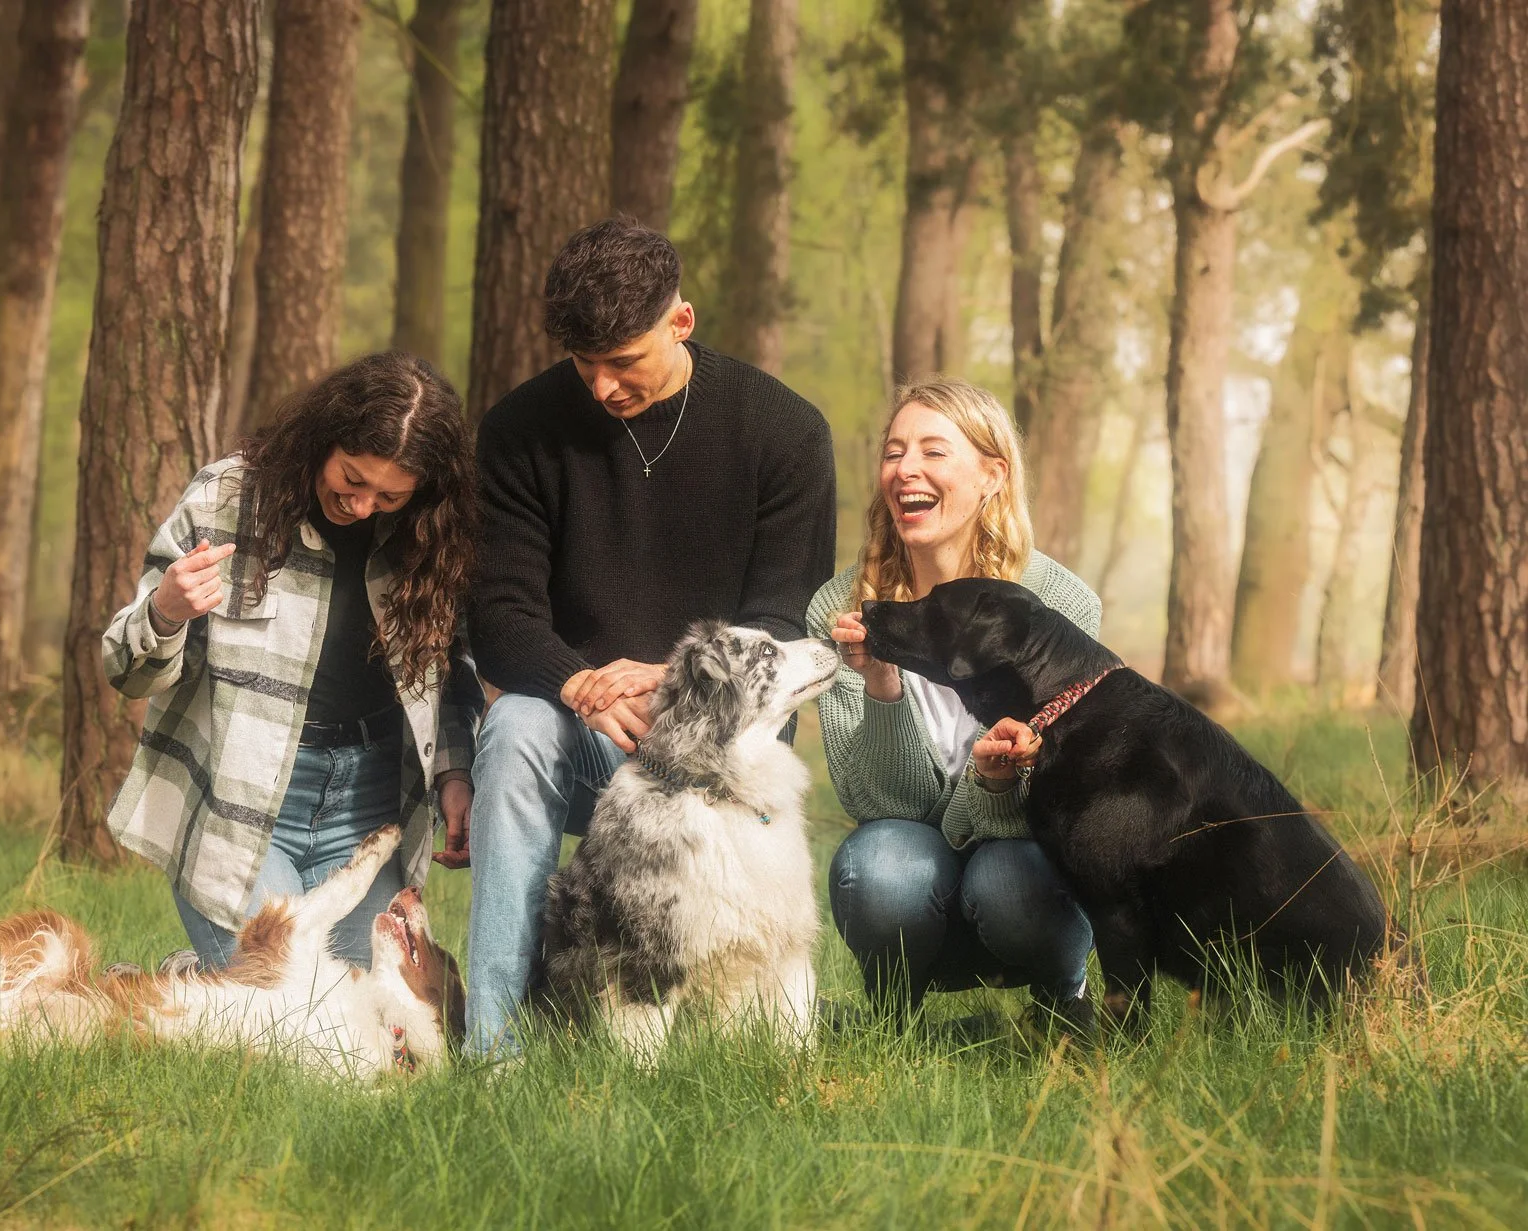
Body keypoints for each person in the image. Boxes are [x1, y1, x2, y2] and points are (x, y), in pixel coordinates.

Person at [463, 218, 838, 1055]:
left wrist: (668, 677)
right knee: (516, 728)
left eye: (623, 362)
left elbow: (780, 624)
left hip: (721, 751)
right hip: (583, 732)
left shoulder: (785, 433)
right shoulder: (519, 431)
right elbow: (499, 616)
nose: (600, 388)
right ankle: (494, 1045)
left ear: (682, 322)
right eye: (582, 364)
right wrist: (580, 684)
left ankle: (754, 1032)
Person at [102, 351, 482, 972]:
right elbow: (125, 668)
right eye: (352, 480)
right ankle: (197, 980)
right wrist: (167, 610)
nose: (362, 506)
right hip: (241, 807)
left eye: (389, 495)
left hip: (370, 807)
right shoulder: (227, 498)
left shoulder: (430, 535)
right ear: (323, 439)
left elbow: (450, 675)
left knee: (364, 1027)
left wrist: (455, 774)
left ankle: (196, 983)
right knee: (287, 1014)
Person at [810, 376, 1100, 1027]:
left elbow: (1066, 800)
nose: (905, 468)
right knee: (880, 863)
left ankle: (1062, 1006)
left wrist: (998, 783)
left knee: (1009, 876)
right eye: (894, 451)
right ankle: (890, 1021)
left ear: (992, 474)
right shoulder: (841, 608)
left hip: (1018, 867)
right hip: (912, 880)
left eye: (933, 451)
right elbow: (878, 805)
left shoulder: (1062, 606)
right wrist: (883, 686)